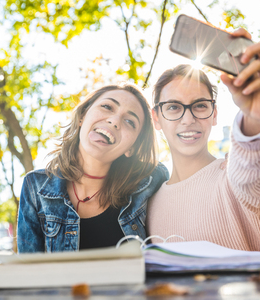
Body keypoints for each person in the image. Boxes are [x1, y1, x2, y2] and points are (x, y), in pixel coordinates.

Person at [147, 28, 260, 251]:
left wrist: (254, 119)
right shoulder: (149, 203)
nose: (188, 119)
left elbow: (249, 168)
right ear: (156, 118)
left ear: (214, 114)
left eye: (200, 105)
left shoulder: (233, 177)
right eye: (173, 107)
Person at [17, 83, 169, 253]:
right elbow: (28, 270)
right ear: (82, 116)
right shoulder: (35, 186)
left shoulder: (151, 180)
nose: (114, 121)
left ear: (131, 148)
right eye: (107, 106)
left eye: (129, 121)